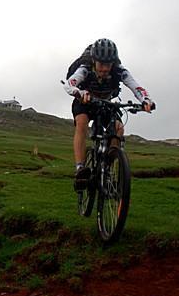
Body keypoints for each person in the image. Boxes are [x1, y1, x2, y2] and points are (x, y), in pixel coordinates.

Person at [63, 38, 154, 191]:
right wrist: (79, 92)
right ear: (94, 61)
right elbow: (69, 83)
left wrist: (146, 100)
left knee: (118, 128)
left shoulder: (119, 71)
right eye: (101, 64)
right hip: (84, 102)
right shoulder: (85, 68)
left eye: (108, 65)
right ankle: (80, 169)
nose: (105, 69)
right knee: (82, 122)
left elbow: (136, 87)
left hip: (106, 104)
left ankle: (108, 168)